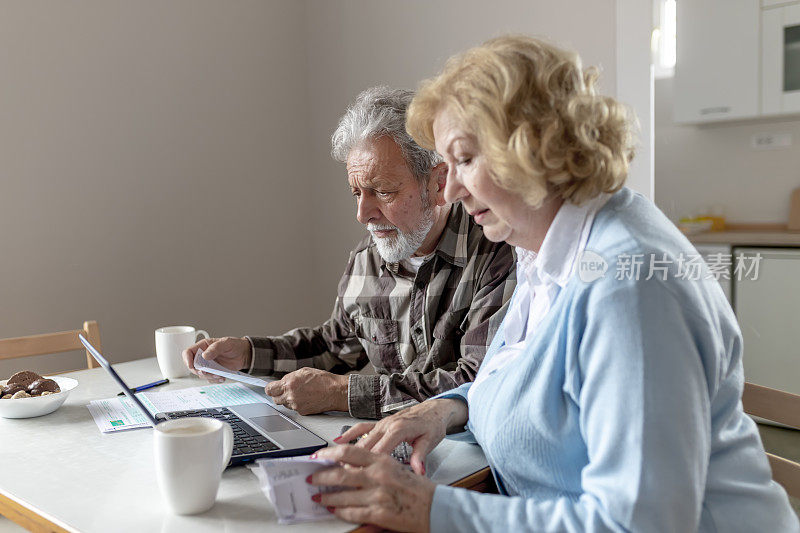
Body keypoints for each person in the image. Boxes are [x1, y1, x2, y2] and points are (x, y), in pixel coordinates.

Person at [306, 36, 800, 532]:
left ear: (532, 148)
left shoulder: (628, 289)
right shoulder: (547, 252)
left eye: (465, 159)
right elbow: (519, 379)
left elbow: (640, 525)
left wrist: (429, 508)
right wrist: (443, 411)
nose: (450, 189)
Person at [183, 86, 516, 419]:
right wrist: (246, 354)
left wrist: (341, 394)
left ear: (439, 184)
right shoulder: (367, 259)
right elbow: (333, 347)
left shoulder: (496, 253)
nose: (362, 214)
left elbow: (475, 383)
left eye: (383, 192)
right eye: (356, 193)